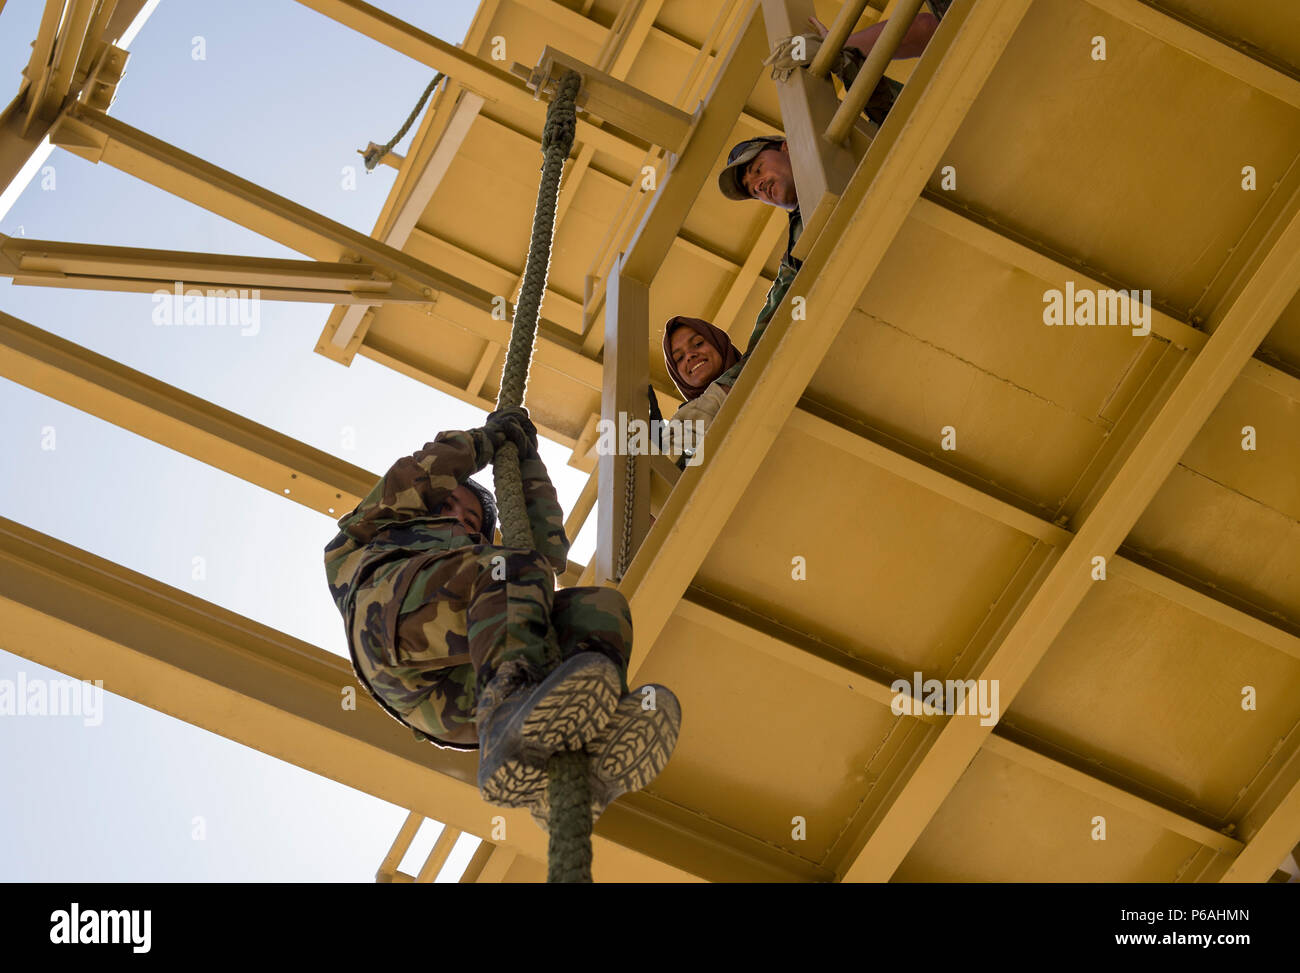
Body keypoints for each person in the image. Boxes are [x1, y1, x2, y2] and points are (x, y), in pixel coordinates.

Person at [323, 408, 680, 829]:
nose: (456, 517)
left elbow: (545, 554)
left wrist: (527, 456)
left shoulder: (485, 571)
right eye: (449, 503)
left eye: (471, 521)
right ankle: (509, 701)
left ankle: (583, 752)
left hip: (457, 703)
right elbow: (417, 474)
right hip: (389, 626)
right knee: (510, 568)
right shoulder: (377, 528)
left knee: (600, 607)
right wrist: (486, 440)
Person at [713, 3, 948, 388]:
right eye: (752, 190)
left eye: (757, 169)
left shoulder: (843, 135)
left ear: (787, 147)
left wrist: (839, 56)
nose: (758, 185)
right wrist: (728, 388)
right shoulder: (798, 245)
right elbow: (776, 313)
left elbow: (895, 111)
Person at [657, 316, 741, 462]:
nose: (689, 355)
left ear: (718, 342)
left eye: (698, 343)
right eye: (679, 358)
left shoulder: (761, 361)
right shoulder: (687, 435)